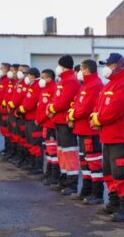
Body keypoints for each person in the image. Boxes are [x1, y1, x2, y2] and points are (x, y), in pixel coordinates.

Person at [91, 53, 124, 222]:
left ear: (118, 65)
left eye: (109, 65)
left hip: (121, 138)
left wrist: (97, 119)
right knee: (109, 173)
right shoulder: (110, 84)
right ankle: (114, 203)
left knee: (122, 174)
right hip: (108, 136)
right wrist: (95, 117)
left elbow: (112, 111)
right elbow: (99, 105)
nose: (106, 68)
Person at [67, 59, 104, 205]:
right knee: (84, 160)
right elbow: (76, 103)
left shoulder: (94, 85)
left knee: (93, 161)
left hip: (90, 130)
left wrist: (71, 116)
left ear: (87, 70)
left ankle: (97, 193)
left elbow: (86, 108)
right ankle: (86, 190)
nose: (79, 72)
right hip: (81, 129)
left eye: (81, 69)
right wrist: (71, 115)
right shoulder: (86, 85)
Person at [47, 55, 81, 195]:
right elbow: (55, 98)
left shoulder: (71, 81)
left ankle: (71, 183)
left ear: (63, 66)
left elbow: (64, 102)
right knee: (61, 152)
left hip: (65, 122)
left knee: (69, 152)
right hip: (59, 120)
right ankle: (63, 179)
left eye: (59, 65)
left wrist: (52, 109)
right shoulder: (63, 80)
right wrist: (50, 107)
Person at [17, 67, 44, 176]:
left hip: (33, 118)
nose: (27, 77)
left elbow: (31, 101)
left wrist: (20, 110)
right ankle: (32, 163)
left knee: (35, 143)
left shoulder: (36, 86)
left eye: (28, 75)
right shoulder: (32, 85)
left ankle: (38, 166)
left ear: (32, 75)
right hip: (28, 117)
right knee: (30, 142)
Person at [35, 69, 58, 185]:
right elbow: (41, 107)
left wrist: (40, 119)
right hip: (44, 124)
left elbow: (49, 110)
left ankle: (54, 175)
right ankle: (48, 172)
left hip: (51, 124)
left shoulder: (54, 89)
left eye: (43, 77)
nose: (41, 79)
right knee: (48, 150)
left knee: (53, 151)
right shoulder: (44, 89)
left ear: (50, 78)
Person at [1, 64, 19, 157]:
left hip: (13, 111)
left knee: (14, 133)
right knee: (7, 131)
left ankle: (14, 152)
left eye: (12, 71)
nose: (10, 73)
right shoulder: (10, 82)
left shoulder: (17, 83)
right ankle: (9, 150)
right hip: (7, 110)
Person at [0, 63, 11, 155]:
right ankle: (6, 149)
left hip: (6, 110)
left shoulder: (8, 80)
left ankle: (9, 150)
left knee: (7, 130)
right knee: (3, 130)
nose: (0, 70)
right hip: (1, 109)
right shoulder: (3, 80)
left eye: (2, 68)